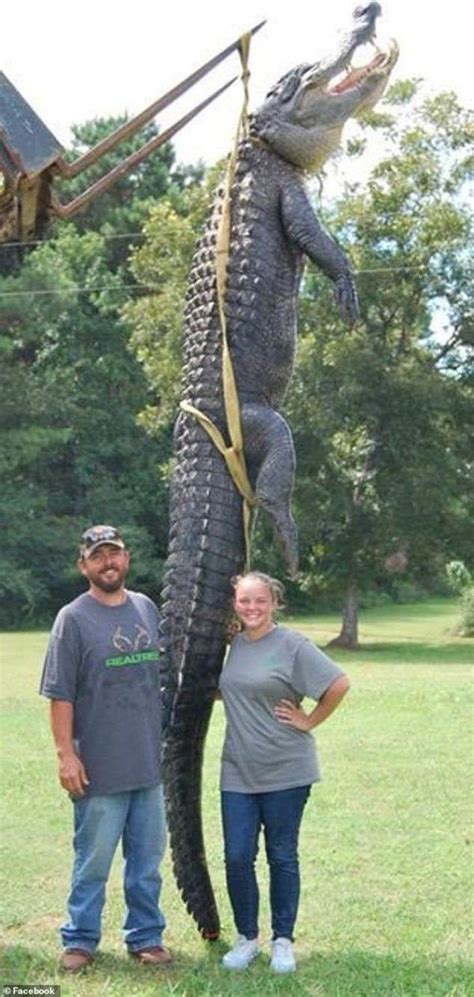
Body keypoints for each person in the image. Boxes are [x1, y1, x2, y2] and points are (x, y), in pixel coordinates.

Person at [39, 524, 171, 972]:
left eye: (114, 553)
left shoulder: (147, 609)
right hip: (97, 767)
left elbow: (166, 674)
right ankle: (79, 941)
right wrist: (66, 754)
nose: (108, 562)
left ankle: (146, 937)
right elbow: (61, 694)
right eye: (98, 556)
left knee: (148, 862)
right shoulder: (72, 619)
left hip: (150, 765)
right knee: (93, 862)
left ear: (127, 558)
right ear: (84, 566)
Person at [218, 570, 350, 974]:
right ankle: (246, 938)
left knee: (281, 856)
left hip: (286, 770)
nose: (252, 608)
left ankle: (282, 941)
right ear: (235, 605)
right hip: (237, 770)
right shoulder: (232, 644)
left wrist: (309, 720)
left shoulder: (292, 645)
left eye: (260, 601)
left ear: (274, 602)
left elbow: (339, 683)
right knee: (238, 857)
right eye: (244, 601)